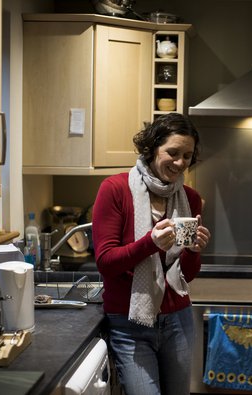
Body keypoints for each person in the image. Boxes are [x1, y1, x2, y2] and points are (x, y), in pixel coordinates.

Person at [92, 113, 211, 395]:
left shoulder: (190, 198)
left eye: (187, 155)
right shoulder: (116, 189)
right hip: (129, 323)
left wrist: (193, 252)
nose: (180, 162)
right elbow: (106, 262)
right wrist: (151, 243)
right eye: (173, 152)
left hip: (178, 320)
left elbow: (187, 276)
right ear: (152, 148)